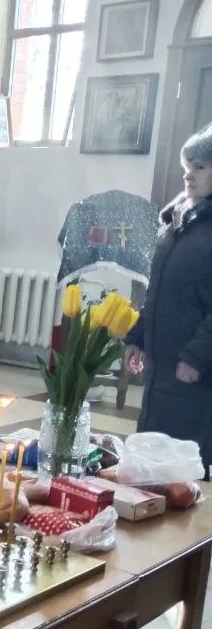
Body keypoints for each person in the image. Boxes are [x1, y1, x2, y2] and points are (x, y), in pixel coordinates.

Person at [125, 124, 212, 478]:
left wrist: (196, 357)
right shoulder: (178, 221)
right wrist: (137, 336)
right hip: (162, 363)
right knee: (154, 451)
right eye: (187, 166)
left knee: (186, 461)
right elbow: (159, 289)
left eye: (200, 167)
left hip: (196, 370)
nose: (189, 175)